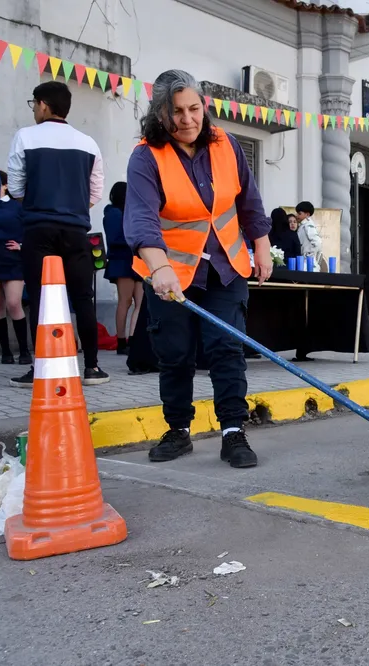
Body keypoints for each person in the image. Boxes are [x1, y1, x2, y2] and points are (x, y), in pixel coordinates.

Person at [125, 69, 272, 469]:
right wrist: (159, 267)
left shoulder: (225, 143)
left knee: (227, 349)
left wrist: (261, 246)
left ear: (204, 107)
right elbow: (141, 218)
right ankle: (178, 430)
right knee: (174, 354)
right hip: (169, 274)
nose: (188, 119)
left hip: (225, 268)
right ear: (160, 113)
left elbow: (249, 199)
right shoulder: (146, 157)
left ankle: (233, 431)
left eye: (194, 108)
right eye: (177, 112)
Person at [6, 80, 108, 387]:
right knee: (83, 297)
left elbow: (15, 186)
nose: (34, 110)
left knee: (40, 297)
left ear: (43, 105)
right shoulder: (88, 143)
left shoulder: (26, 136)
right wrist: (73, 208)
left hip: (38, 228)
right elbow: (96, 190)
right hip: (76, 230)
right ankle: (91, 367)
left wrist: (36, 203)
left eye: (34, 104)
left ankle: (41, 367)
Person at [0, 170, 31, 365]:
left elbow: (30, 229)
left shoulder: (17, 206)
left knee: (13, 303)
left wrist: (21, 246)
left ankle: (24, 350)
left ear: (5, 185)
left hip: (13, 260)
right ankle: (5, 352)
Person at [102, 181, 143, 355]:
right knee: (125, 302)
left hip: (136, 260)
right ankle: (121, 341)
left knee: (140, 302)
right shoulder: (113, 213)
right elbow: (115, 239)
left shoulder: (129, 212)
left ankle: (133, 340)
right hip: (122, 260)